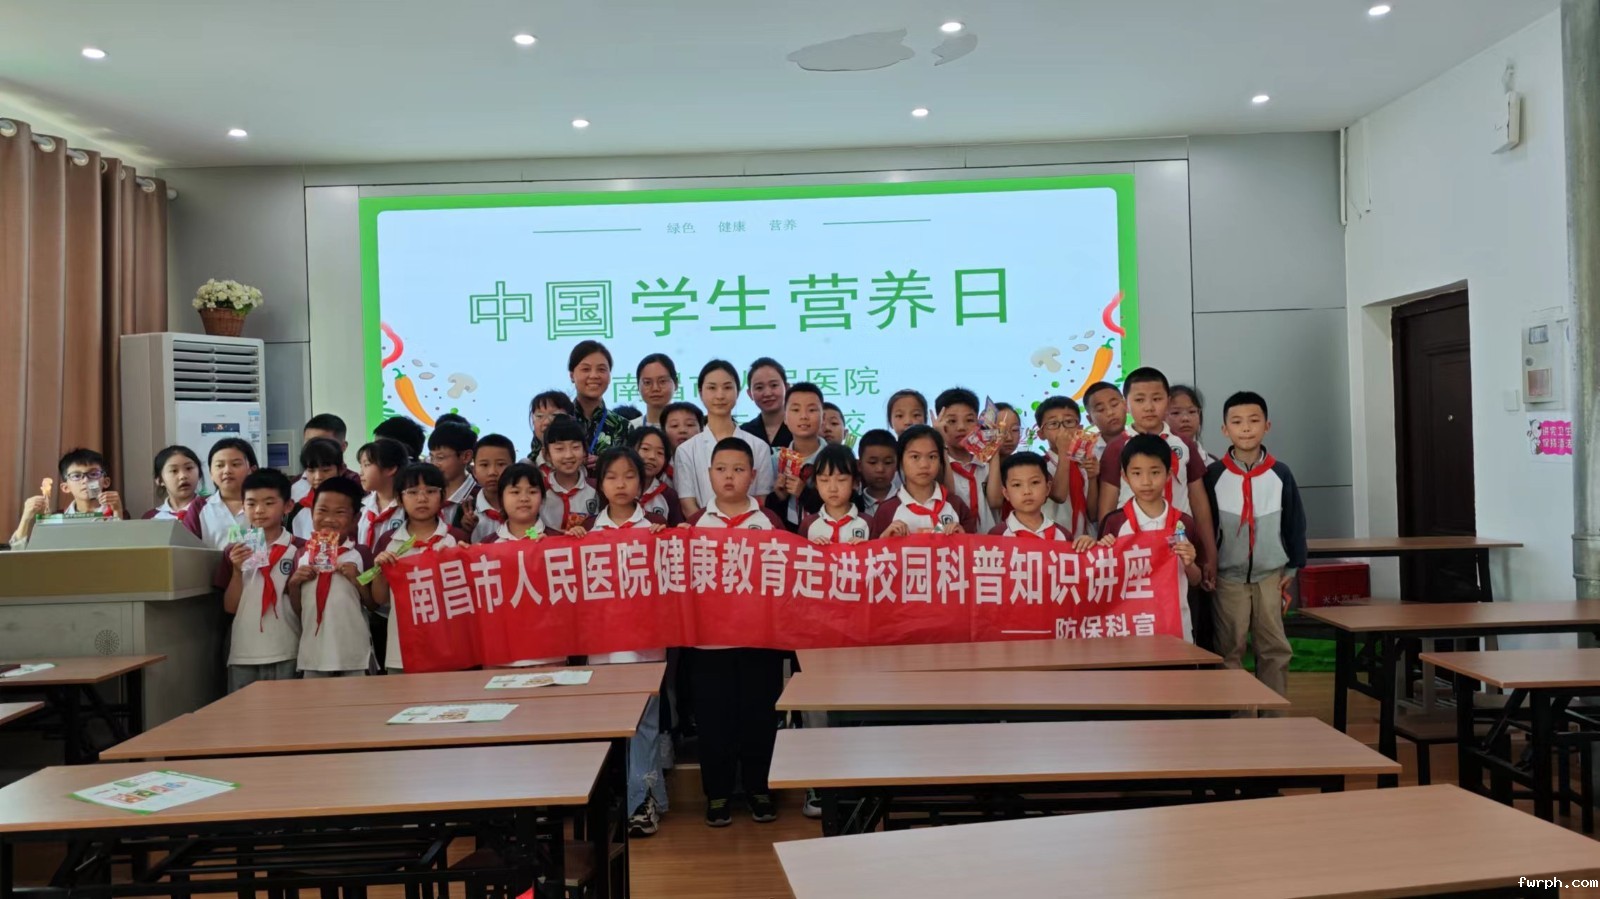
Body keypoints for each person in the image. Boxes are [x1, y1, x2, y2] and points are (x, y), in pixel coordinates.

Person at [570, 446, 671, 836]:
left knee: (645, 724)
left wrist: (669, 541)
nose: (621, 484)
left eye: (630, 476)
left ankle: (641, 803)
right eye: (612, 476)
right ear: (600, 483)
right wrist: (572, 542)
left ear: (642, 483)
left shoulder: (656, 528)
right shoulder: (586, 531)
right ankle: (624, 799)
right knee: (609, 725)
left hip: (646, 646)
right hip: (603, 647)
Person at [685, 437, 786, 826]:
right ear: (709, 474)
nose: (729, 477)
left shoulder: (768, 521)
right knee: (714, 720)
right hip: (709, 645)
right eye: (721, 469)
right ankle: (718, 793)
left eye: (739, 469)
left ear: (754, 475)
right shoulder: (695, 525)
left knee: (760, 717)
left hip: (759, 641)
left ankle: (760, 789)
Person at [1203, 391, 1306, 709]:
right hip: (1228, 577)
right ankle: (1238, 717)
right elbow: (1206, 527)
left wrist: (1292, 567)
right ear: (1225, 430)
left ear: (1267, 426)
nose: (1246, 428)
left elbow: (1295, 522)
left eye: (1253, 420)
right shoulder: (1214, 475)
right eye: (1236, 422)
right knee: (1229, 649)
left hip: (1270, 575)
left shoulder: (1281, 473)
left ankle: (1274, 716)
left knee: (1274, 647)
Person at [1095, 368, 1218, 589]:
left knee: (1182, 601)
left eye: (1157, 399)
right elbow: (1107, 508)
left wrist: (1209, 554)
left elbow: (1199, 503)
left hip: (1181, 544)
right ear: (1126, 404)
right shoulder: (1116, 448)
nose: (1149, 407)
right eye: (1139, 400)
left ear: (1168, 401)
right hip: (1132, 549)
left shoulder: (1184, 445)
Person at [1100, 434, 1203, 642]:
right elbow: (1103, 580)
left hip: (1174, 625)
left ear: (1168, 474)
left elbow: (1195, 580)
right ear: (1125, 476)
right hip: (1128, 626)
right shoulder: (1115, 523)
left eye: (1155, 472)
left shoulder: (1183, 523)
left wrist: (1189, 563)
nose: (1146, 482)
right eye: (1137, 473)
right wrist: (1101, 551)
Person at [370, 463, 469, 673]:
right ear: (399, 499)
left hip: (448, 647)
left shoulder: (455, 538)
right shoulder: (389, 541)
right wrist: (380, 571)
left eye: (431, 491)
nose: (422, 499)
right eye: (412, 492)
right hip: (402, 649)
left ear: (442, 496)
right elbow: (380, 598)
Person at [215, 469, 302, 693]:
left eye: (269, 503)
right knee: (244, 713)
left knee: (288, 712)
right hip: (244, 652)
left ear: (288, 506)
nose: (259, 510)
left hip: (288, 648)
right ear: (243, 507)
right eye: (251, 503)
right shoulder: (234, 550)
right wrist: (237, 571)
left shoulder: (300, 548)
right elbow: (230, 607)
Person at [292, 478, 374, 678]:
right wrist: (294, 583)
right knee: (314, 698)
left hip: (353, 650)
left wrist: (357, 580)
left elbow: (373, 604)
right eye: (322, 510)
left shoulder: (361, 554)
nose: (329, 519)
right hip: (314, 651)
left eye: (340, 512)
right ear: (312, 513)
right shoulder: (301, 554)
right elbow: (298, 609)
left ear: (355, 519)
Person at [673, 360, 774, 519]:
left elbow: (761, 500)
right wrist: (714, 528)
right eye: (712, 388)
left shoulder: (759, 447)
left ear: (737, 392)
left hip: (748, 529)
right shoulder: (686, 450)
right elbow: (687, 504)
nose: (720, 395)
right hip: (702, 531)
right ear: (700, 393)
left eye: (727, 387)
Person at [871, 425, 975, 535]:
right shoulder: (887, 511)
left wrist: (962, 536)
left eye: (932, 457)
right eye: (915, 457)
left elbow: (973, 543)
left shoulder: (955, 504)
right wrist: (884, 539)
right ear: (900, 461)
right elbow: (872, 546)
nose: (924, 465)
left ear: (940, 461)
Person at [11, 448, 124, 547]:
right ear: (65, 487)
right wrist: (25, 519)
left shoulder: (117, 513)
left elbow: (122, 549)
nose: (85, 480)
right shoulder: (56, 519)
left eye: (93, 474)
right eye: (76, 476)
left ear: (106, 482)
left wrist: (117, 511)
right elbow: (19, 554)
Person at [935, 388, 997, 534]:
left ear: (979, 422)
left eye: (969, 420)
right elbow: (948, 495)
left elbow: (995, 502)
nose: (961, 427)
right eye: (952, 421)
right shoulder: (936, 466)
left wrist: (994, 445)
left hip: (989, 542)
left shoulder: (987, 464)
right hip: (952, 541)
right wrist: (939, 440)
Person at [1034, 397, 1098, 538]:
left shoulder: (1086, 462)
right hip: (1054, 541)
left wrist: (1093, 478)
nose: (1063, 429)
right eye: (1053, 424)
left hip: (1086, 540)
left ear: (1080, 429)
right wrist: (1064, 451)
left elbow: (1093, 514)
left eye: (1069, 422)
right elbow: (1059, 495)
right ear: (1041, 434)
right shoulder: (1039, 466)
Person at [768, 382, 826, 531]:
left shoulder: (834, 459)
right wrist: (779, 497)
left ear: (823, 417)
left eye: (812, 410)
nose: (804, 416)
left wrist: (804, 493)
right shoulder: (775, 461)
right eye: (795, 410)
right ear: (785, 418)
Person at [182, 438, 258, 549]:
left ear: (252, 470)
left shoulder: (265, 504)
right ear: (211, 473)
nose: (227, 471)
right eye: (220, 465)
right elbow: (186, 549)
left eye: (235, 464)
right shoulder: (200, 506)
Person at [568, 340, 634, 465]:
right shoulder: (557, 420)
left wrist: (605, 464)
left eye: (601, 370)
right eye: (586, 369)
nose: (594, 375)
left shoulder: (622, 426)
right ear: (571, 375)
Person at [799, 444, 873, 545]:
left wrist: (866, 548)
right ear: (816, 484)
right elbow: (798, 552)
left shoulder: (867, 523)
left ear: (855, 482)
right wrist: (812, 548)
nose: (833, 488)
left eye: (841, 480)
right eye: (824, 480)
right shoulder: (808, 524)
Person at [990, 451, 1069, 540]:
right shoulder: (996, 535)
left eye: (1034, 482)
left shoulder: (1063, 535)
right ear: (1006, 493)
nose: (1027, 491)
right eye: (1017, 485)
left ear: (1047, 488)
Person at [540, 415, 599, 532]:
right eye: (559, 449)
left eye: (575, 447)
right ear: (546, 454)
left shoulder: (597, 488)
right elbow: (527, 527)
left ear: (585, 451)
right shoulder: (539, 490)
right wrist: (535, 536)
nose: (568, 455)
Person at [291, 414, 360, 503]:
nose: (315, 448)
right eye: (309, 443)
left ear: (343, 446)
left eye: (323, 443)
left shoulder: (357, 483)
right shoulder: (293, 484)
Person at [463, 433, 517, 543]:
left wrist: (533, 535)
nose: (492, 472)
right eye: (484, 465)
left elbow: (535, 534)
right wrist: (464, 532)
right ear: (474, 471)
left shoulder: (525, 505)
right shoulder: (467, 510)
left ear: (514, 468)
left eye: (500, 464)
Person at [355, 438, 409, 549]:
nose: (361, 473)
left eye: (367, 465)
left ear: (391, 468)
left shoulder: (408, 507)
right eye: (361, 466)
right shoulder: (363, 506)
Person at [289, 438, 346, 540]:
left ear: (341, 470)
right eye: (311, 471)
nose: (318, 477)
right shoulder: (297, 509)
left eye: (326, 470)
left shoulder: (354, 507)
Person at [627, 426, 683, 526]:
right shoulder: (616, 490)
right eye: (645, 449)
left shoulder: (669, 496)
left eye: (660, 453)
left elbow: (677, 530)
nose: (652, 456)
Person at [426, 423, 477, 526]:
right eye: (431, 457)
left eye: (440, 457)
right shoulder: (425, 492)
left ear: (466, 457)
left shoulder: (480, 496)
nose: (434, 464)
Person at [982, 401, 1026, 521]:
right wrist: (994, 449)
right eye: (1000, 431)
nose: (1009, 438)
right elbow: (995, 502)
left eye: (1015, 430)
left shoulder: (1024, 467)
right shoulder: (977, 467)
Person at [740, 357, 792, 447]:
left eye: (774, 385)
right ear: (750, 394)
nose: (767, 393)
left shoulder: (801, 428)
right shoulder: (743, 433)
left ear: (787, 388)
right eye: (759, 387)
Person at [142, 446, 203, 521]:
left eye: (189, 468)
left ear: (199, 473)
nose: (183, 476)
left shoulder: (211, 509)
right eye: (174, 471)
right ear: (160, 480)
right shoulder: (151, 518)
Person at [525, 389, 577, 468]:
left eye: (555, 415)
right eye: (539, 416)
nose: (546, 422)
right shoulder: (528, 466)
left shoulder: (583, 459)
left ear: (571, 419)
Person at [855, 429, 899, 520]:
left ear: (897, 465)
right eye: (873, 462)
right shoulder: (853, 506)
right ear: (859, 465)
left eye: (887, 462)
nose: (880, 469)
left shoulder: (907, 501)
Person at [1168, 385, 1217, 466]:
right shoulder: (1154, 458)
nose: (1185, 418)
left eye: (1192, 412)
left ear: (1199, 414)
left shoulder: (1212, 463)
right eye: (1175, 413)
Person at [636, 353, 681, 428]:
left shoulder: (689, 428)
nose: (655, 388)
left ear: (676, 384)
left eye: (662, 381)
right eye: (647, 382)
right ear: (638, 386)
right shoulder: (628, 429)